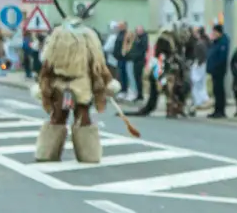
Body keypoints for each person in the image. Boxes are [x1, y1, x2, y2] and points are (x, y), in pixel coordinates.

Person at [29, 18, 119, 162]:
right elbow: (97, 63)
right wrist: (106, 82)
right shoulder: (84, 38)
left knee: (65, 117)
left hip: (70, 83)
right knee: (73, 117)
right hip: (75, 84)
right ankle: (87, 154)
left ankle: (48, 152)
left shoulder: (61, 37)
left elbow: (47, 63)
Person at [206, 24, 230, 119]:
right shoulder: (215, 42)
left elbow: (221, 57)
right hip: (214, 70)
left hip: (219, 70)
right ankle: (216, 109)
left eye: (214, 32)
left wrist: (215, 67)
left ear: (218, 32)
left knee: (219, 90)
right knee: (216, 90)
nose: (213, 34)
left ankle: (221, 110)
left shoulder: (223, 42)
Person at [189, 27, 211, 112]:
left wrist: (198, 63)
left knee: (196, 83)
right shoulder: (205, 41)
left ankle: (200, 100)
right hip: (202, 64)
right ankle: (200, 100)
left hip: (199, 65)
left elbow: (201, 55)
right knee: (201, 83)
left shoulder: (200, 43)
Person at [129, 27, 148, 103]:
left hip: (139, 61)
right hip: (135, 61)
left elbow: (143, 49)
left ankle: (140, 95)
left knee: (139, 78)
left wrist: (135, 56)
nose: (137, 32)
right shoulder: (137, 38)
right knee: (136, 78)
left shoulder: (143, 38)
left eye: (138, 31)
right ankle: (139, 94)